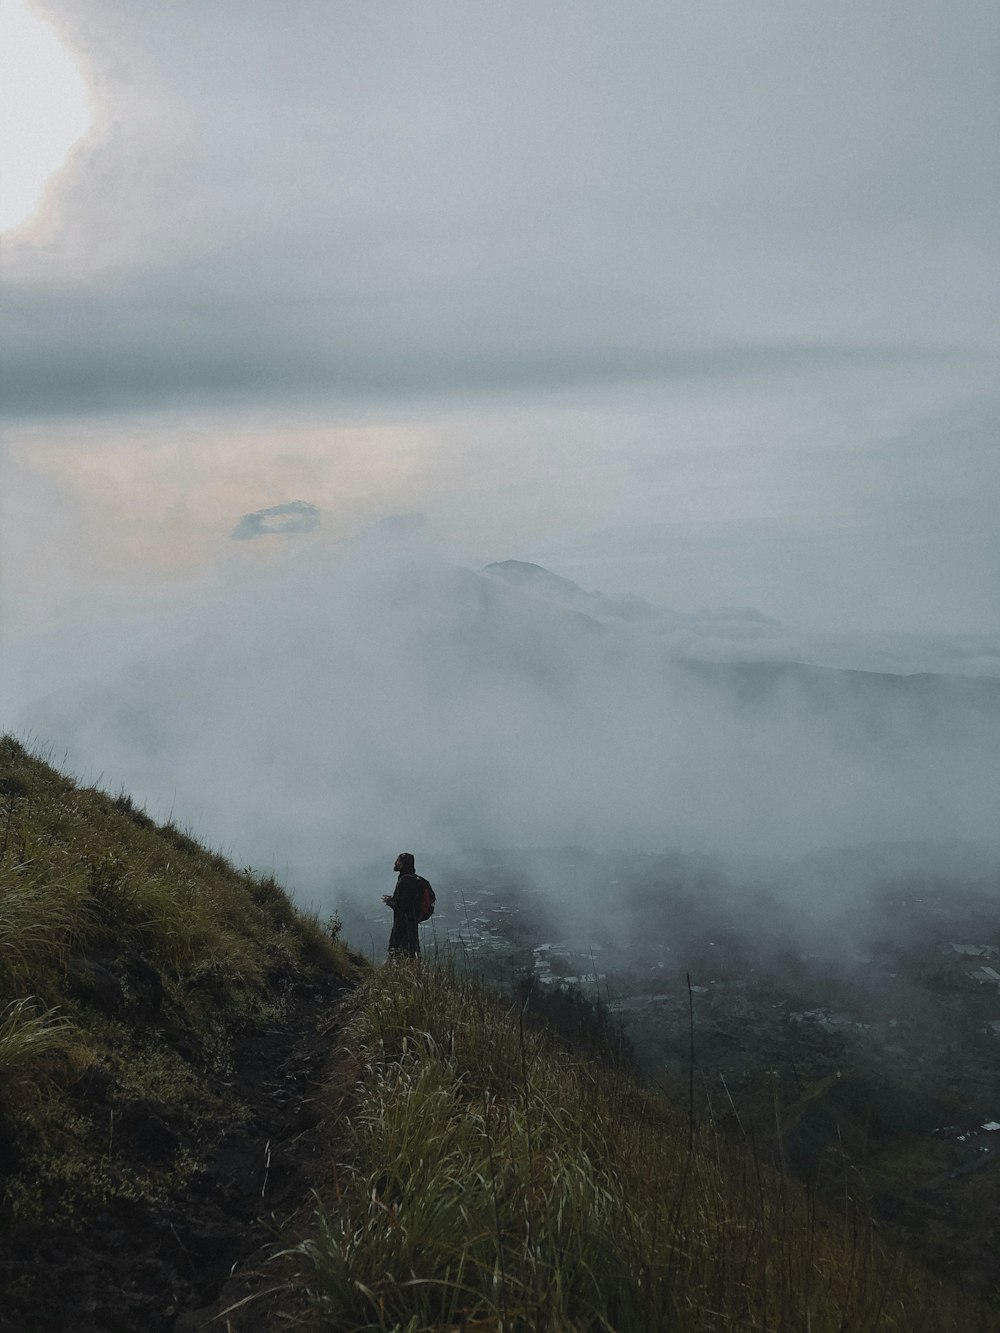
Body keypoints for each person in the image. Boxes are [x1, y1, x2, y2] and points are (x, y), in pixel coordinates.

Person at [383, 851, 422, 958]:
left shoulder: (404, 881)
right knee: (411, 953)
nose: (395, 863)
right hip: (412, 925)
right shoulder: (413, 878)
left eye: (398, 861)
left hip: (402, 926)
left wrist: (390, 902)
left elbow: (401, 908)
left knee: (397, 953)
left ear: (404, 864)